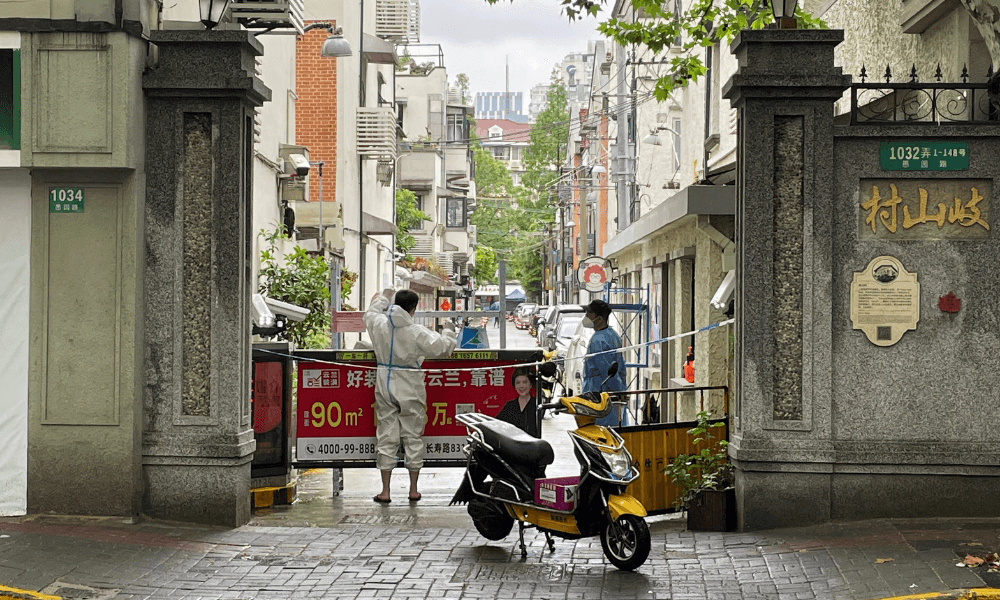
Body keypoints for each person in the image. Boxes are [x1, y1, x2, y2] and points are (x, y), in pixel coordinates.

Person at [363, 288, 457, 504]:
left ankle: (385, 492)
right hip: (410, 385)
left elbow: (369, 314)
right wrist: (449, 330)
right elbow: (443, 348)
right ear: (414, 309)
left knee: (386, 436)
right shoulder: (416, 332)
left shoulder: (379, 324)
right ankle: (413, 490)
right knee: (413, 437)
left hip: (384, 382)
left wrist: (382, 298)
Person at [582, 299, 627, 427]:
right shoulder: (613, 335)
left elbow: (607, 372)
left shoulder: (598, 341)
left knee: (601, 431)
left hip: (599, 392)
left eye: (589, 314)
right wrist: (622, 390)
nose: (585, 317)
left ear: (599, 319)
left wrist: (617, 391)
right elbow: (621, 367)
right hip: (611, 392)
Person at [495, 367, 540, 438]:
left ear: (531, 384)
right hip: (513, 446)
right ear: (515, 386)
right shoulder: (509, 406)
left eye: (524, 382)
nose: (521, 386)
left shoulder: (537, 405)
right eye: (518, 383)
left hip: (532, 445)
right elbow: (497, 424)